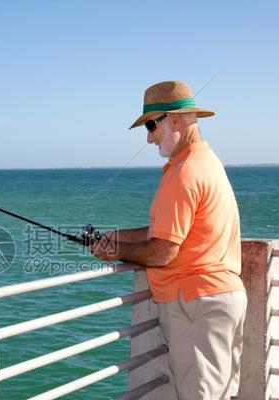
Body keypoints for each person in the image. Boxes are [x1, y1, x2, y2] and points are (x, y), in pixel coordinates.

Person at [90, 80, 246, 400]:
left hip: (197, 304)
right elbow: (165, 231)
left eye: (150, 125)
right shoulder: (205, 162)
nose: (148, 138)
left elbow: (162, 251)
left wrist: (113, 251)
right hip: (217, 299)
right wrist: (114, 238)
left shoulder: (185, 172)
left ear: (174, 121)